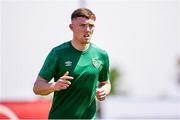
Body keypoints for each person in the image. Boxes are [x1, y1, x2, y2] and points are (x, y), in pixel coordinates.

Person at [33, 8, 111, 119]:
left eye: (91, 25)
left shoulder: (101, 55)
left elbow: (106, 83)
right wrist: (53, 86)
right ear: (71, 27)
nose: (88, 30)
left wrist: (104, 90)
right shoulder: (58, 53)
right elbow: (37, 87)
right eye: (82, 25)